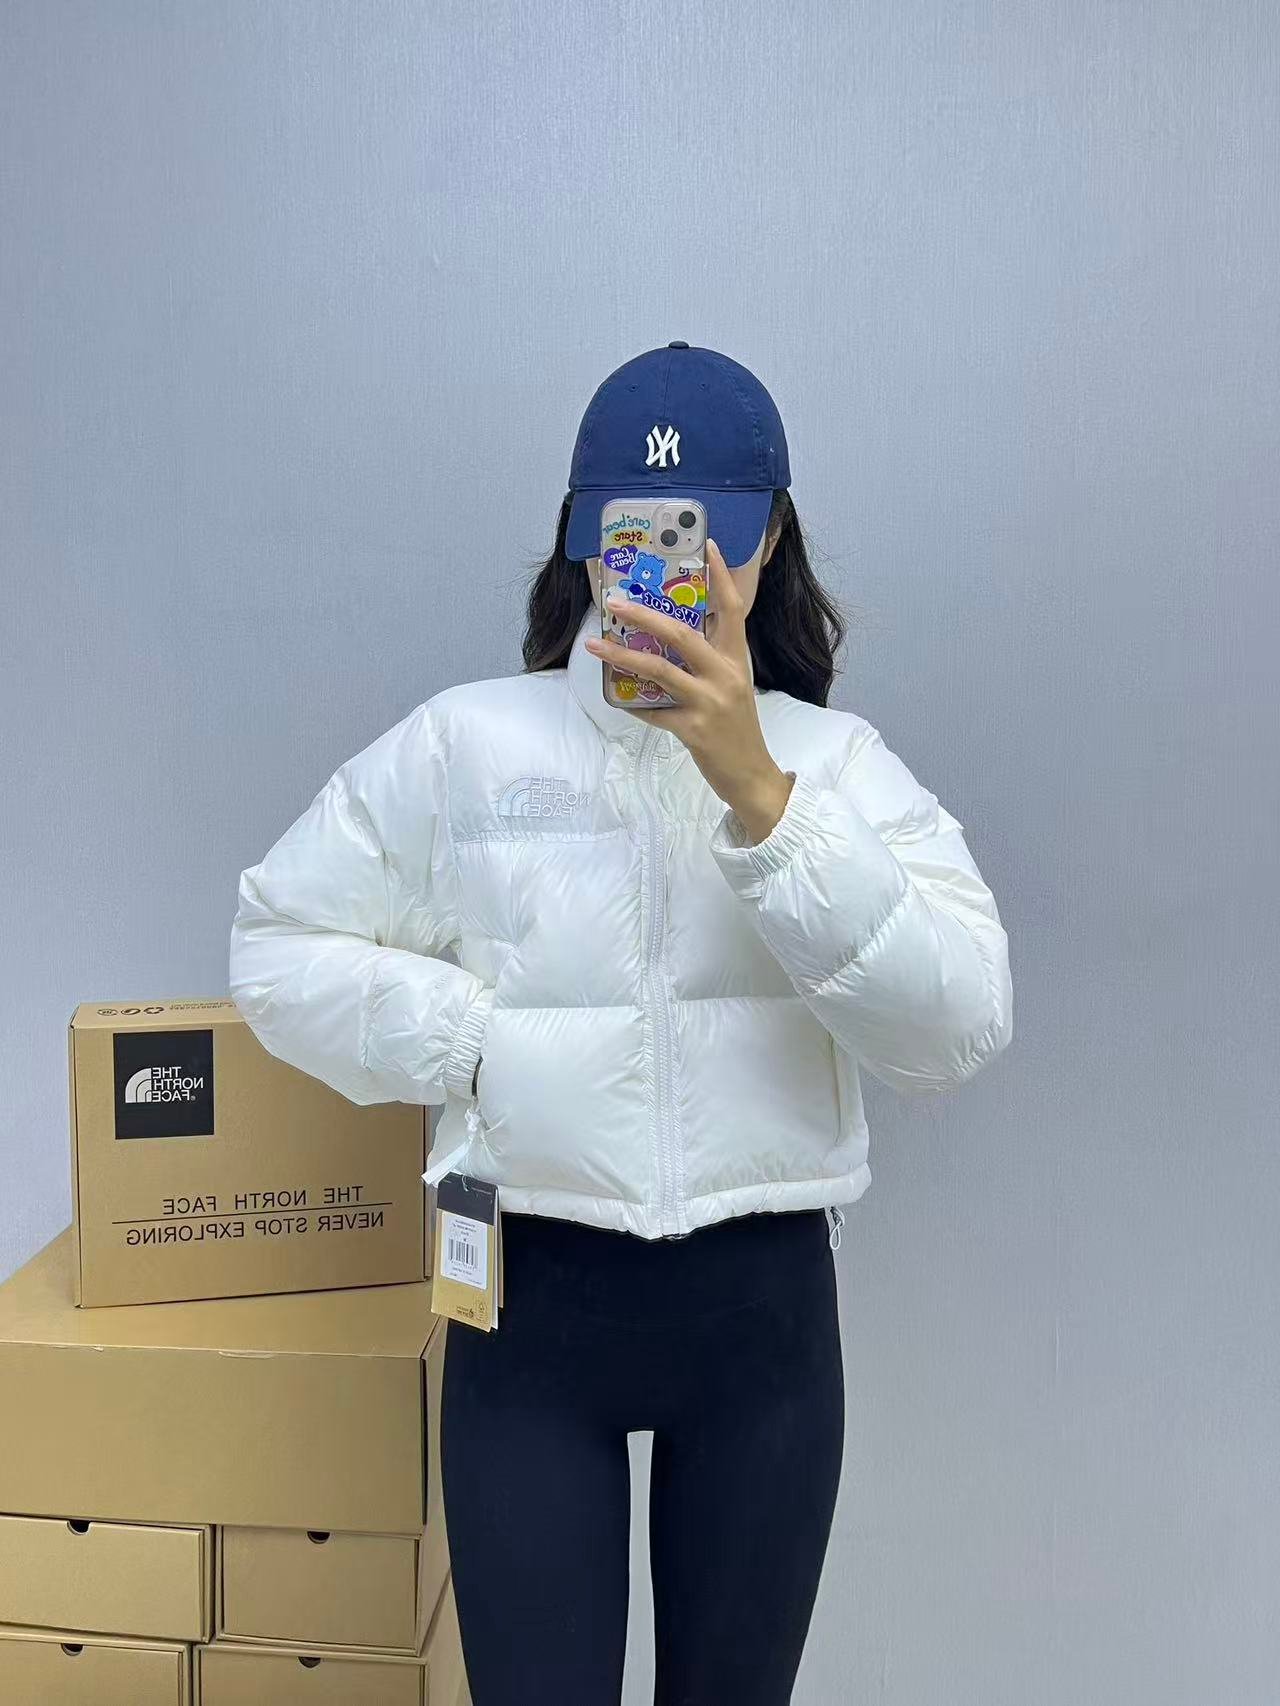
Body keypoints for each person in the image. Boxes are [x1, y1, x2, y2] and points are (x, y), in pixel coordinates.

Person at [227, 341, 1013, 1705]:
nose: (660, 572)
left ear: (770, 540)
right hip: (529, 1320)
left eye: (704, 535)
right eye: (629, 537)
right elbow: (273, 942)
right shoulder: (468, 746)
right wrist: (475, 1042)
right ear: (583, 542)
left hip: (762, 1337)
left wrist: (764, 798)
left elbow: (957, 1027)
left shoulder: (835, 769)